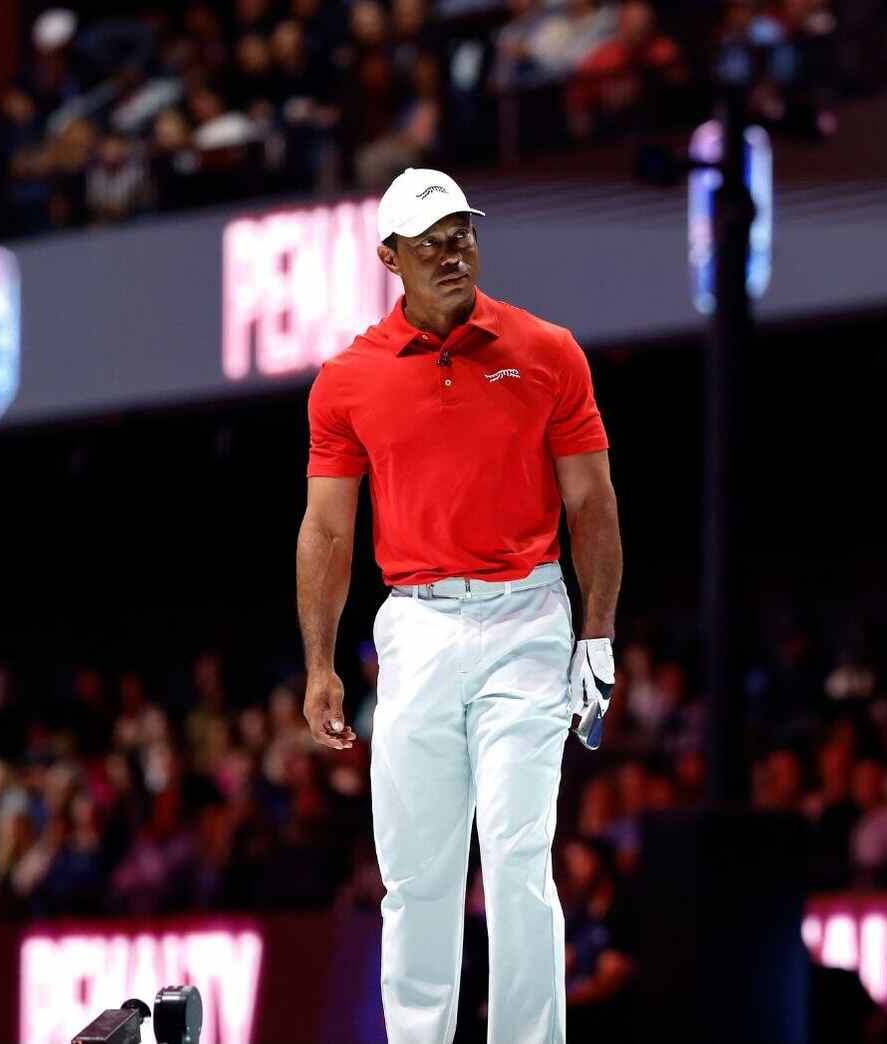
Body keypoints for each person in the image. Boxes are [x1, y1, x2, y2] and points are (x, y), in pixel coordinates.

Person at [295, 167, 623, 1043]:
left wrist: (597, 634)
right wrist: (320, 666)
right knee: (418, 874)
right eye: (430, 240)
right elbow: (327, 531)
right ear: (388, 256)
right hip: (419, 626)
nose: (451, 252)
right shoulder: (347, 381)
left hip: (529, 618)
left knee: (519, 857)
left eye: (462, 233)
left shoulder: (547, 350)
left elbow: (592, 500)